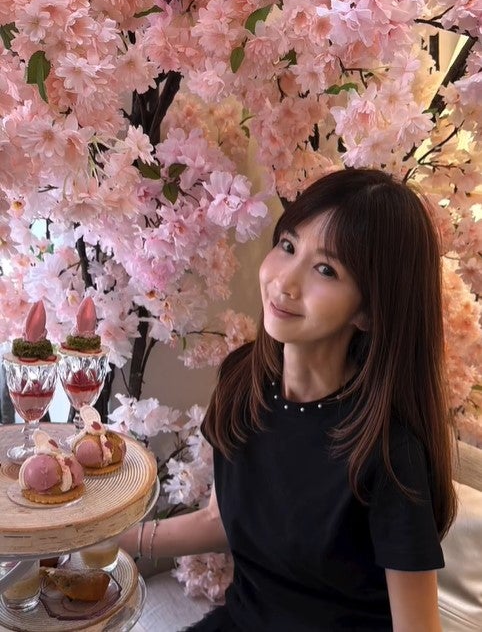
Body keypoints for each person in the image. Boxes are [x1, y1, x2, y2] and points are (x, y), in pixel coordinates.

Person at [121, 168, 457, 631]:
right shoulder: (242, 381)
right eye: (288, 246)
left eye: (326, 270)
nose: (285, 282)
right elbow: (221, 520)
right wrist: (109, 540)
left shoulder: (387, 451)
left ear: (368, 310)